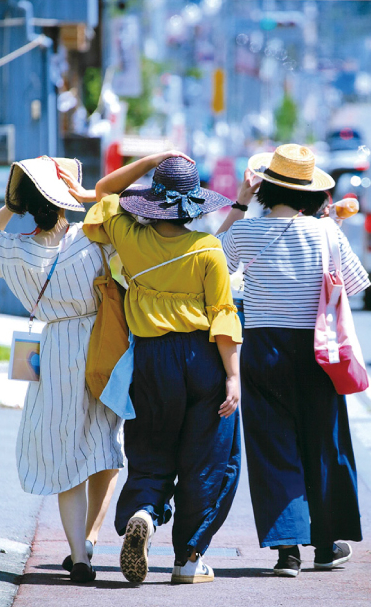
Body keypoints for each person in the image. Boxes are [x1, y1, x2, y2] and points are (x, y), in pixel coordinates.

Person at [75, 151, 242, 585]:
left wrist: (153, 159)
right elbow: (223, 315)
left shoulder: (129, 235)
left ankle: (144, 513)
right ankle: (188, 560)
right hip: (202, 359)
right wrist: (233, 376)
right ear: (194, 204)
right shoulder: (208, 250)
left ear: (154, 202)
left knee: (150, 451)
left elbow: (104, 191)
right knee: (208, 460)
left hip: (149, 360)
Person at [216, 144, 371, 578]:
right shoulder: (326, 232)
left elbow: (210, 259)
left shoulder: (248, 232)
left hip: (263, 349)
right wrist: (331, 228)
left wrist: (242, 202)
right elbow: (355, 285)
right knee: (322, 443)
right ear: (311, 192)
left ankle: (287, 551)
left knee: (272, 446)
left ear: (265, 187)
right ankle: (325, 544)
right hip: (318, 352)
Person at [0, 156, 124, 584]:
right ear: (64, 201)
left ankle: (80, 555)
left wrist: (13, 204)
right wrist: (87, 195)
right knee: (105, 448)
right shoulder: (91, 240)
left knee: (67, 455)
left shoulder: (14, 249)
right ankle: (92, 541)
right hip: (100, 348)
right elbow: (122, 208)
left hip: (52, 350)